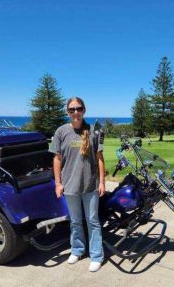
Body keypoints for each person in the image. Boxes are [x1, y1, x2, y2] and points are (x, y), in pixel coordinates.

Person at [49, 96, 106, 272]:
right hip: (70, 185)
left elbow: (99, 158)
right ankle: (77, 250)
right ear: (67, 112)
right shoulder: (61, 132)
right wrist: (58, 183)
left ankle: (96, 256)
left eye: (78, 108)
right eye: (72, 109)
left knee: (93, 221)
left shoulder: (93, 130)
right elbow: (57, 159)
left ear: (84, 110)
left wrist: (102, 181)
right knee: (75, 221)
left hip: (90, 185)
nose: (75, 112)